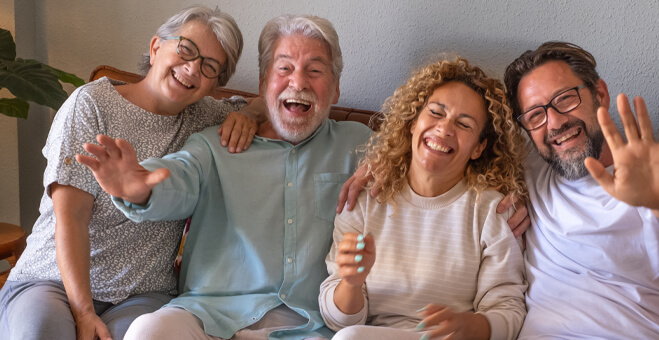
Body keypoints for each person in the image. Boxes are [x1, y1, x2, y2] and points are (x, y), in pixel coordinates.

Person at [77, 15, 373, 339]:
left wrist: (392, 164)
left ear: (336, 88)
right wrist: (139, 190)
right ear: (263, 84)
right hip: (210, 318)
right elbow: (179, 176)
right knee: (148, 330)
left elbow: (422, 159)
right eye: (284, 69)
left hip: (311, 327)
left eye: (315, 71)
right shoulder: (214, 144)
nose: (298, 83)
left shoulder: (360, 145)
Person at [0, 6, 261, 340]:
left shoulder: (204, 119)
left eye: (209, 67)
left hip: (142, 292)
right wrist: (83, 313)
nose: (192, 68)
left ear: (213, 86)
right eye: (186, 50)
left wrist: (251, 114)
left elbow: (274, 97)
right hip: (53, 280)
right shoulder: (92, 104)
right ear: (155, 48)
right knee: (41, 332)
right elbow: (71, 217)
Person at [502, 42, 659, 339]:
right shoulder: (530, 171)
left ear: (600, 94)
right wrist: (503, 190)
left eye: (566, 98)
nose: (555, 122)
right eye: (535, 115)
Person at [319, 58, 527, 340]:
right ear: (413, 122)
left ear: (478, 148)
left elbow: (509, 310)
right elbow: (338, 322)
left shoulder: (492, 211)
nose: (445, 129)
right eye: (436, 113)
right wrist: (350, 283)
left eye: (464, 124)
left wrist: (470, 326)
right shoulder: (365, 199)